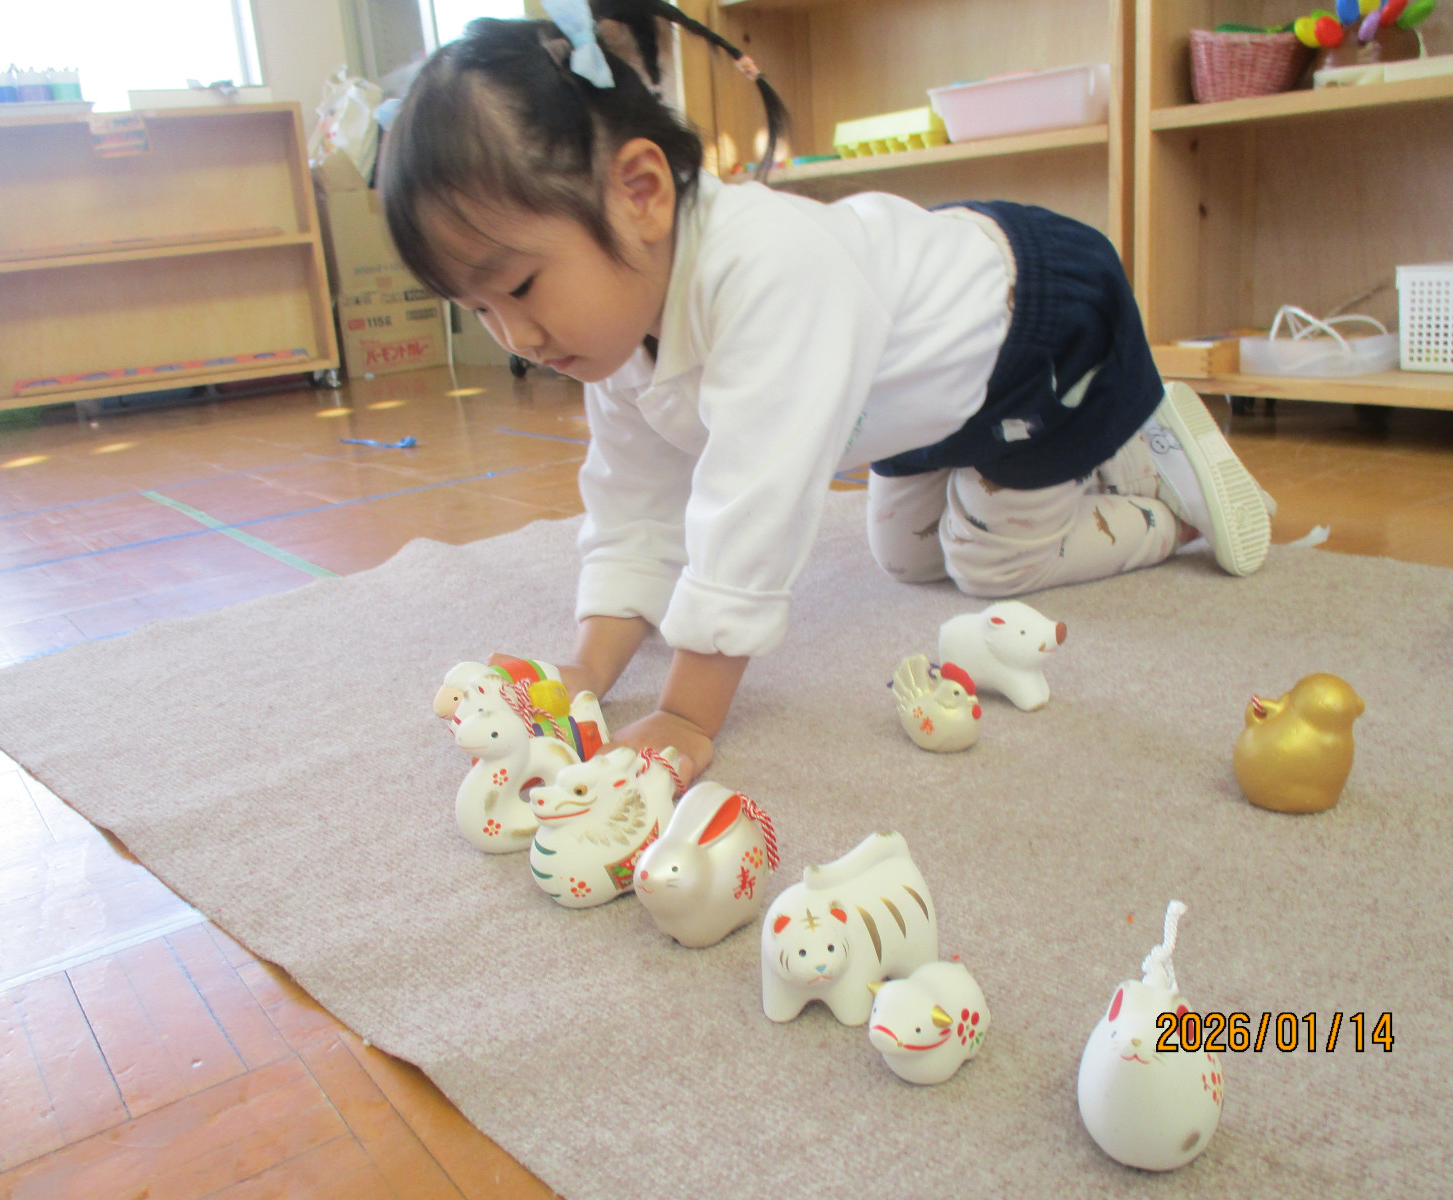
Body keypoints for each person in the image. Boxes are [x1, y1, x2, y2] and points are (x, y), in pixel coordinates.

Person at [380, 0, 1272, 784]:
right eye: (480, 310)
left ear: (641, 193)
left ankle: (1153, 483)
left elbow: (752, 514)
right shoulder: (614, 327)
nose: (517, 338)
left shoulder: (768, 274)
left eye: (521, 288)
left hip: (1037, 334)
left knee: (991, 566)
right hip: (918, 400)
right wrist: (584, 674)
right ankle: (1060, 463)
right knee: (905, 558)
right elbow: (634, 508)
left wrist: (686, 715)